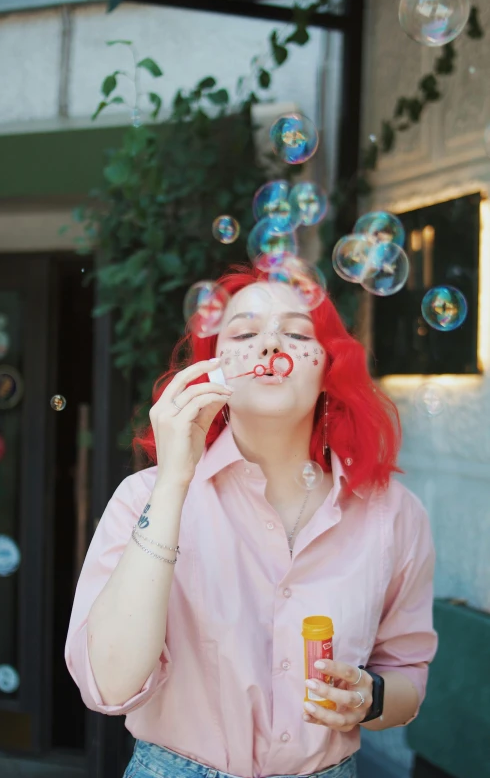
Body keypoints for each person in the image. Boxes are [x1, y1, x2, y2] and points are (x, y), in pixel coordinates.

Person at [65, 263, 438, 778]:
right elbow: (108, 685)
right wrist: (174, 481)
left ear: (328, 365)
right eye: (243, 332)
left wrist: (370, 697)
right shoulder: (144, 499)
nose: (270, 344)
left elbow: (407, 680)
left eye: (297, 332)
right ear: (214, 368)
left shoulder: (394, 515)